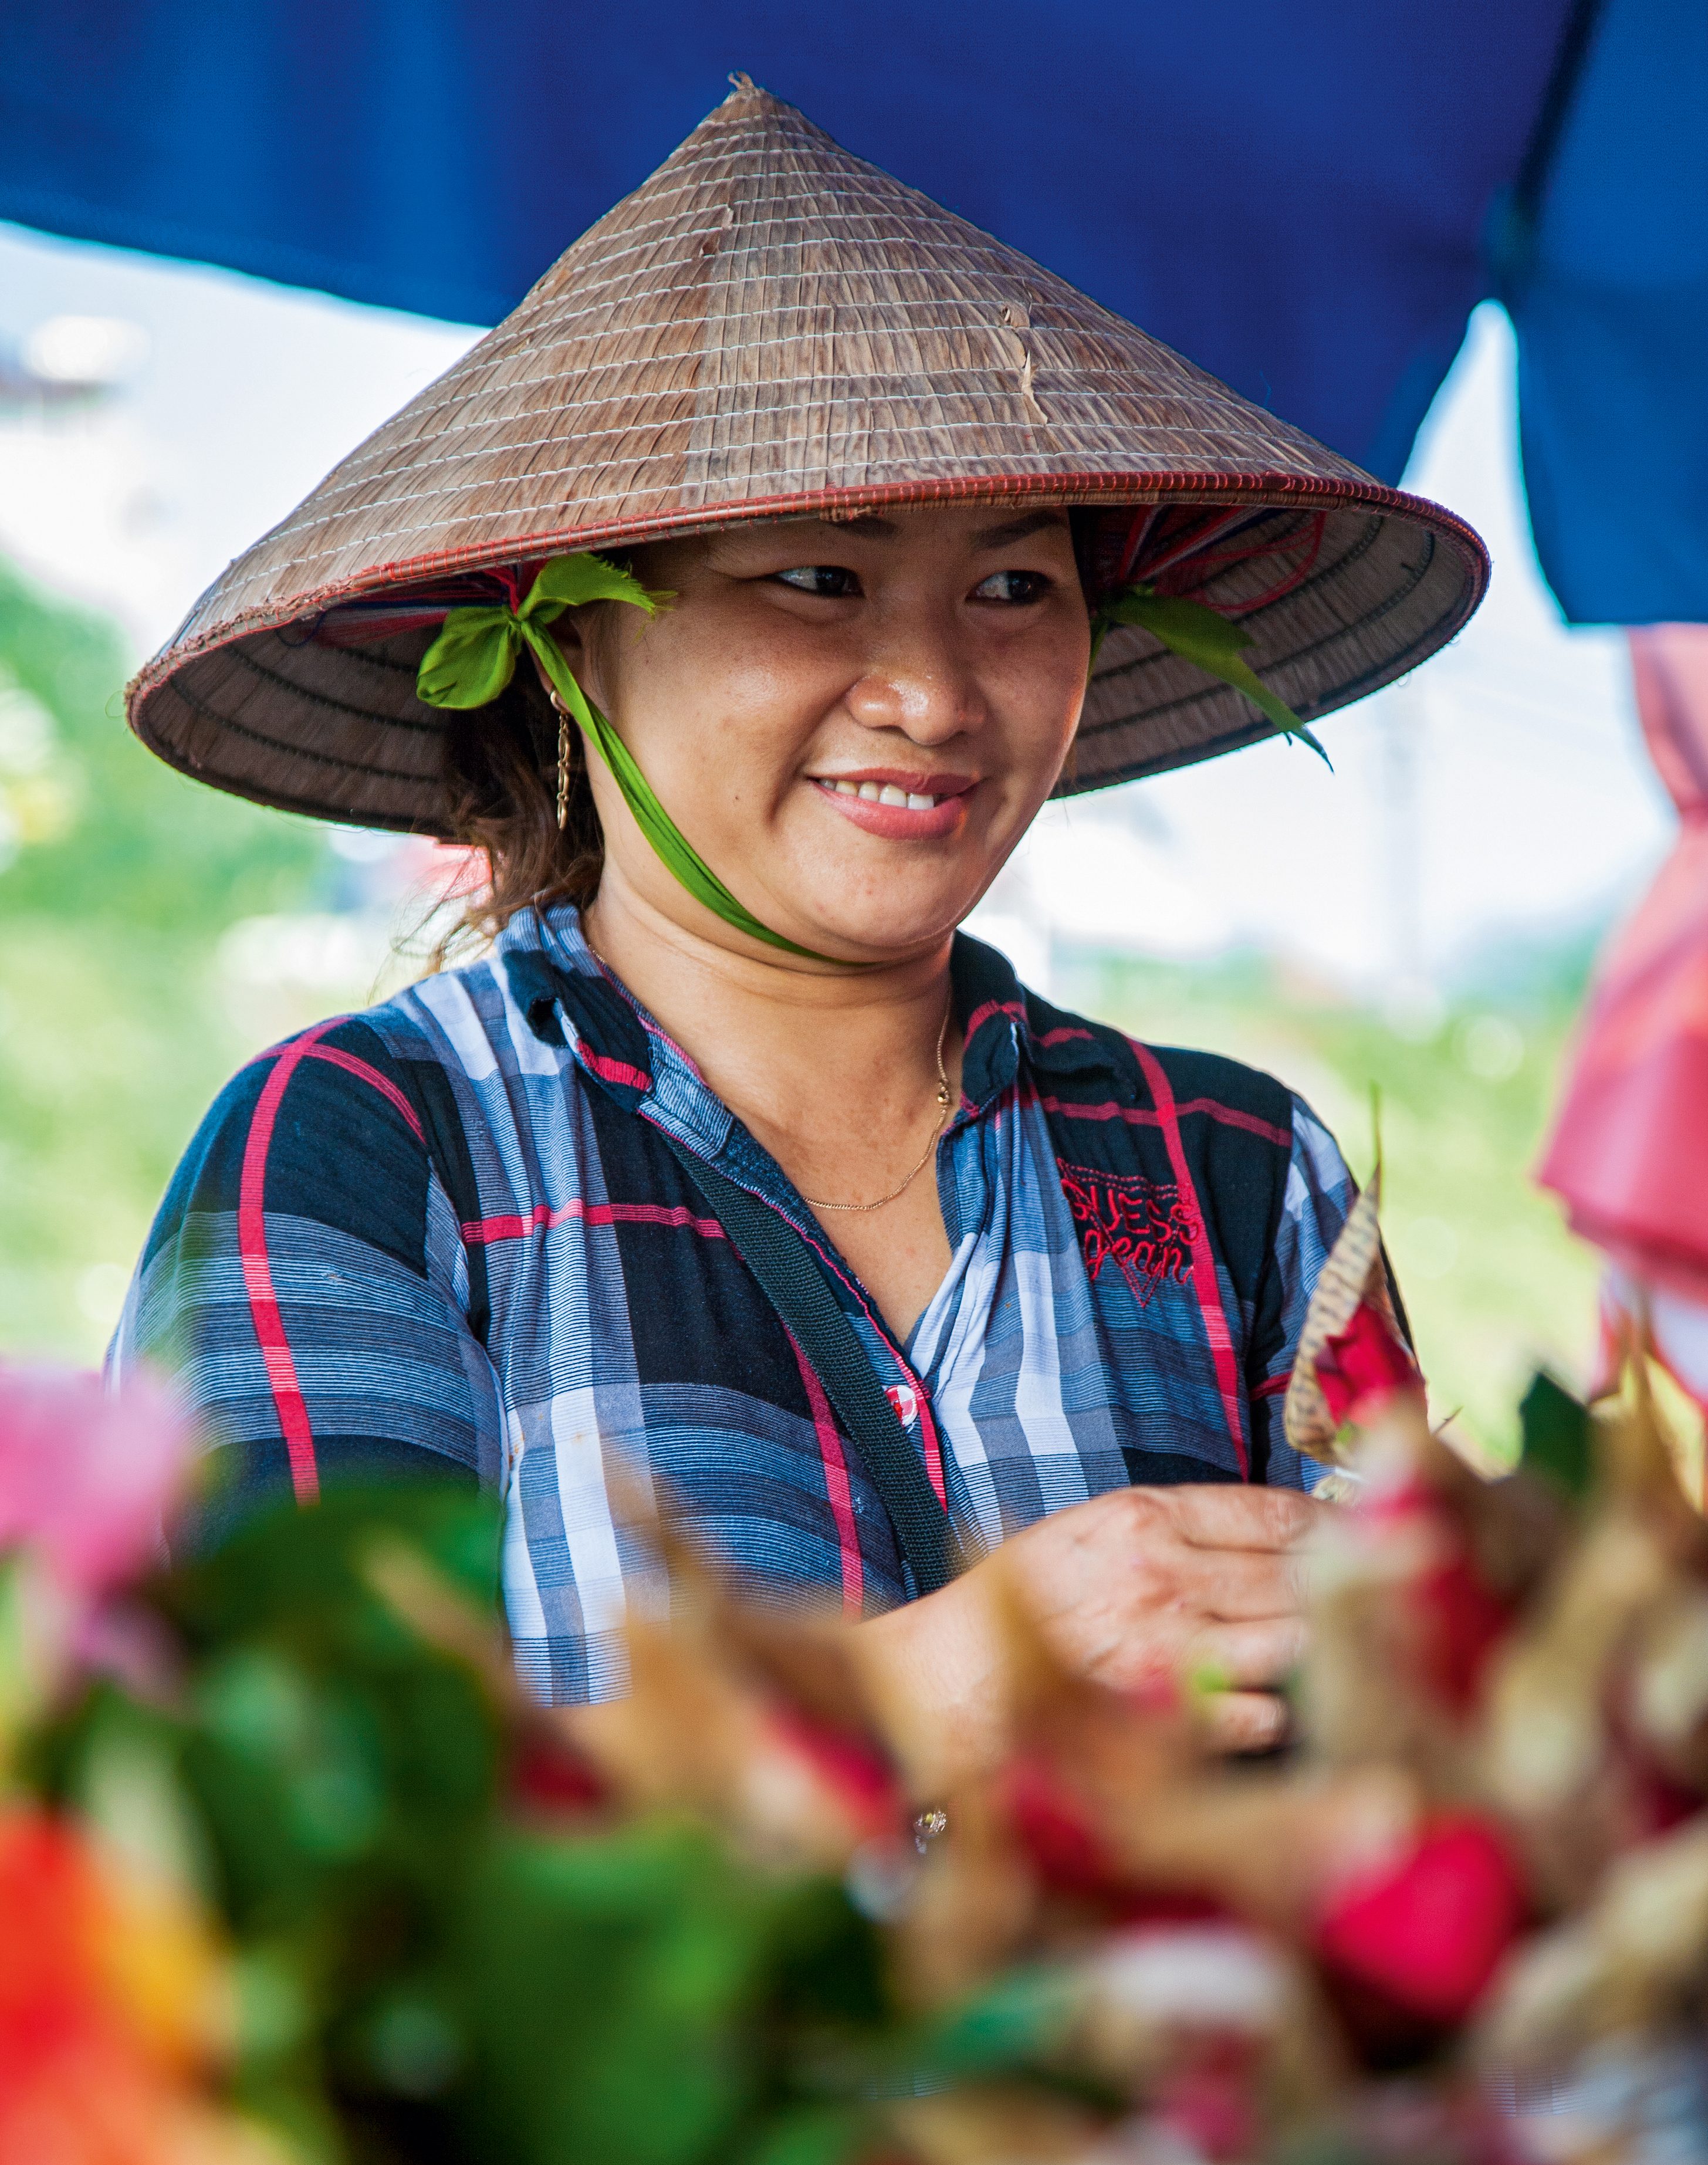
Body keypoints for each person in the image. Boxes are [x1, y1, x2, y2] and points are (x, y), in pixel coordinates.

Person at [119, 79, 1486, 1723]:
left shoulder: (1239, 1174)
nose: (930, 691)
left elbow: (1421, 1754)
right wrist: (951, 1683)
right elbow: (306, 1831)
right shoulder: (362, 1149)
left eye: (1012, 588)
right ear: (570, 640)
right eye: (819, 578)